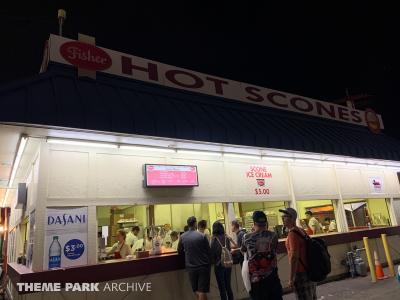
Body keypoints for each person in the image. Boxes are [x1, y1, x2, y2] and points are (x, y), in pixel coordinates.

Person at [241, 211, 282, 300]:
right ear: (266, 222)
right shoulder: (273, 235)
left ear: (254, 222)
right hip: (272, 277)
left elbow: (243, 251)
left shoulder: (246, 237)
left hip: (257, 280)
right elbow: (274, 249)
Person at [280, 208, 317, 300]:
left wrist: (291, 278)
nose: (282, 218)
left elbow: (294, 257)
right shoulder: (301, 230)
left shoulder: (293, 234)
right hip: (309, 270)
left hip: (300, 273)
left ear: (292, 218)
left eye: (285, 216)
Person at [178, 216, 211, 300]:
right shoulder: (202, 236)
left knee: (197, 290)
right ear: (195, 224)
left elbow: (180, 251)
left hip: (191, 267)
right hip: (203, 266)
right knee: (202, 291)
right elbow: (208, 251)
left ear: (188, 224)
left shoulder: (182, 237)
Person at [210, 221, 236, 300]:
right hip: (228, 264)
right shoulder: (226, 237)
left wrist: (214, 262)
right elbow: (229, 249)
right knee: (228, 285)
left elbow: (212, 253)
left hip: (219, 265)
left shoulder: (214, 239)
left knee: (222, 288)